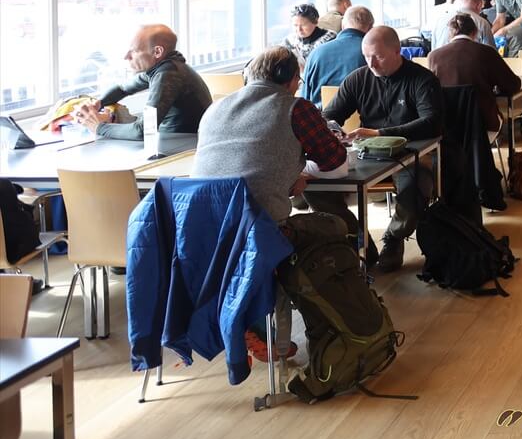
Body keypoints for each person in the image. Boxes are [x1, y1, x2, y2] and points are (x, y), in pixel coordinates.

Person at [192, 45, 349, 360]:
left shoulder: (215, 109)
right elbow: (334, 161)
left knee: (265, 235)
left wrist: (287, 173)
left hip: (203, 231)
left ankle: (248, 310)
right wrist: (301, 174)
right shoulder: (296, 108)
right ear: (291, 79)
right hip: (261, 229)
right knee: (336, 225)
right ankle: (317, 326)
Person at [315, 26, 443, 271]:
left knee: (415, 187)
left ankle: (394, 238)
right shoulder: (358, 78)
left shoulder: (422, 79)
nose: (371, 63)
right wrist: (332, 131)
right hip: (366, 152)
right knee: (316, 188)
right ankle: (359, 240)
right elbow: (330, 115)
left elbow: (431, 122)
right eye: (366, 57)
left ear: (398, 51)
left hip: (413, 151)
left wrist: (380, 134)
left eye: (379, 56)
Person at [71, 24, 212, 140]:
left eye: (134, 51)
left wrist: (99, 126)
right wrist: (98, 103)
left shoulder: (168, 74)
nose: (126, 56)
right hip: (172, 142)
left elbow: (143, 130)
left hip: (183, 149)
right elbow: (122, 89)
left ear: (157, 52)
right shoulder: (165, 67)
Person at [429, 12, 521, 137]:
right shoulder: (487, 52)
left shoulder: (434, 56)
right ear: (475, 32)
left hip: (447, 124)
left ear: (450, 34)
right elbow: (512, 84)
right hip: (483, 122)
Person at [301, 5, 374, 100]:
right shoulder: (373, 53)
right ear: (370, 28)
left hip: (320, 113)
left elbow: (305, 96)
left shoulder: (315, 54)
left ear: (343, 25)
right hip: (361, 113)